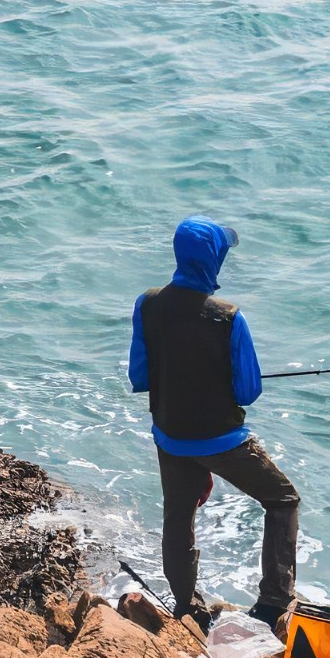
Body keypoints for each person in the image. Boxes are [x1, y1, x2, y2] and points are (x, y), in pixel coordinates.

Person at [128, 216, 301, 634]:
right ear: (213, 259)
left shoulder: (147, 303)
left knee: (178, 513)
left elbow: (140, 376)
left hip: (170, 435)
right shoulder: (228, 318)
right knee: (283, 501)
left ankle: (187, 606)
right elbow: (247, 392)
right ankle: (274, 600)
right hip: (221, 439)